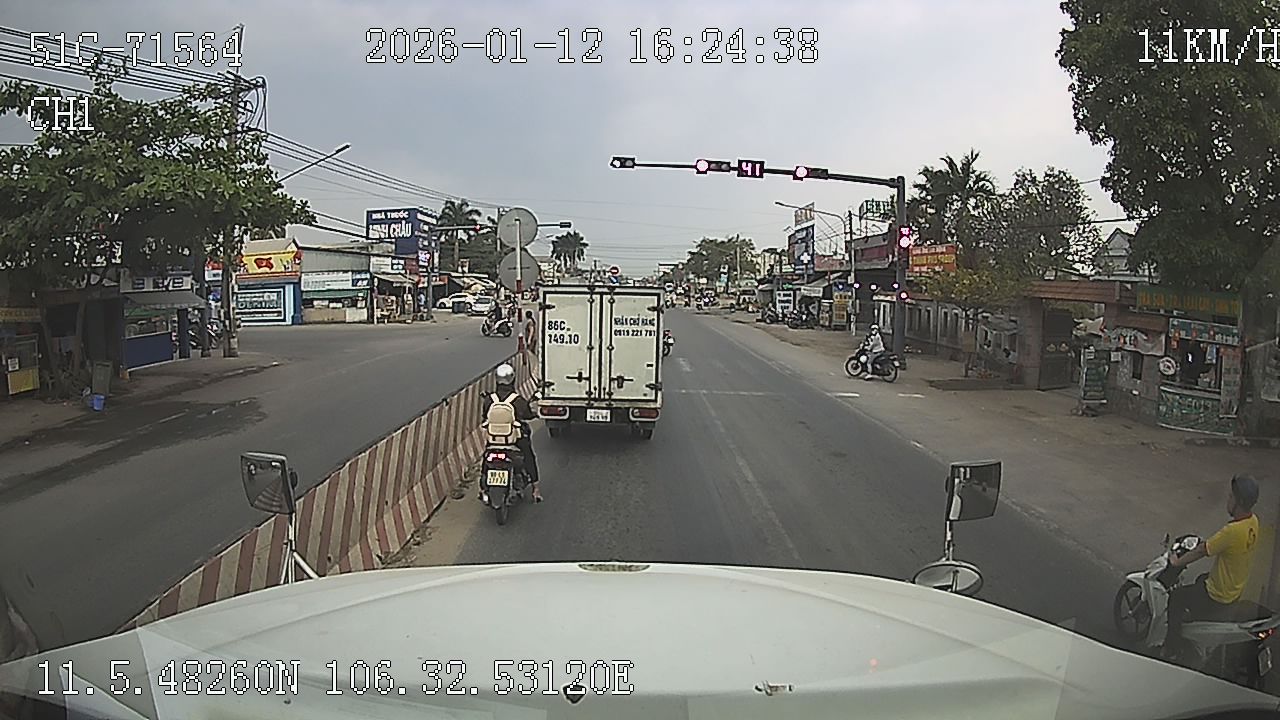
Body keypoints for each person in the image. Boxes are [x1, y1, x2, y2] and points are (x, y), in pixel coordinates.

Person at [1164, 474, 1260, 657]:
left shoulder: (1232, 531)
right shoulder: (1253, 522)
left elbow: (1201, 551)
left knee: (1176, 597)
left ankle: (1171, 648)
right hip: (1235, 589)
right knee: (1201, 578)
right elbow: (1219, 544)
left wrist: (1177, 562)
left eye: (1231, 497)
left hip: (1218, 595)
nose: (1228, 499)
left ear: (1239, 502)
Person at [483, 363, 542, 502]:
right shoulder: (517, 400)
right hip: (514, 440)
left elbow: (484, 416)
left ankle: (483, 489)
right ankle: (536, 489)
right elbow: (527, 414)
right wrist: (533, 414)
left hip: (494, 440)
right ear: (513, 379)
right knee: (528, 456)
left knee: (486, 457)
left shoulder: (489, 399)